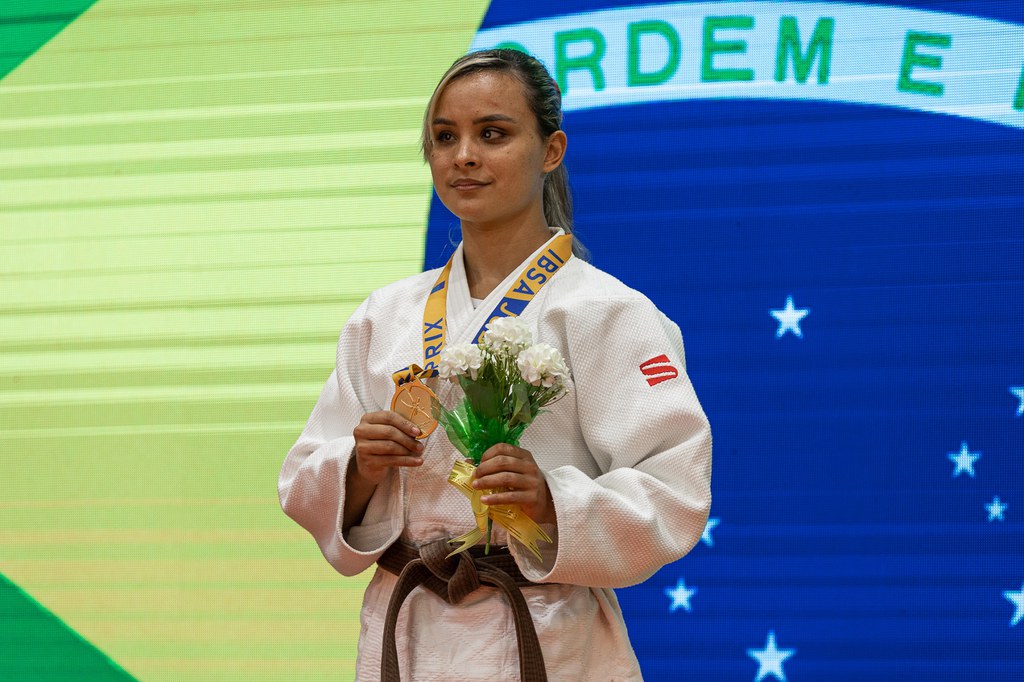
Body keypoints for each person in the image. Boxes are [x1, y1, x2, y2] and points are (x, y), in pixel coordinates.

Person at [278, 48, 712, 681]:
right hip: (408, 628)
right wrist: (359, 467)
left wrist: (548, 501)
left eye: (493, 133)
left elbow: (675, 491)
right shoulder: (385, 315)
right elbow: (302, 478)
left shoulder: (607, 311)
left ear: (552, 149)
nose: (464, 156)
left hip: (543, 629)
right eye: (444, 137)